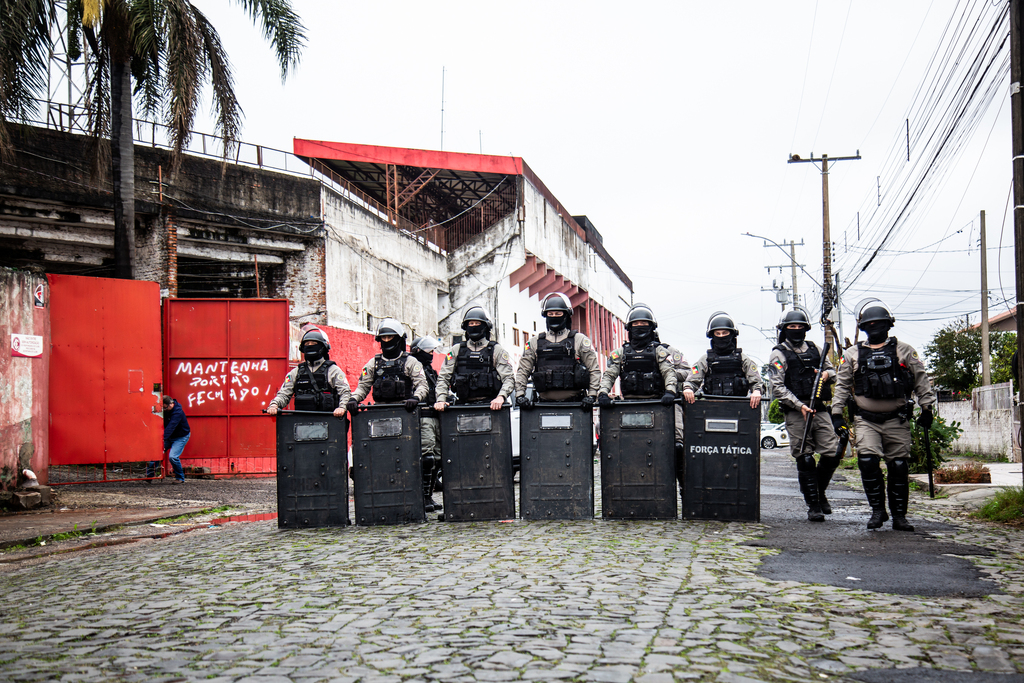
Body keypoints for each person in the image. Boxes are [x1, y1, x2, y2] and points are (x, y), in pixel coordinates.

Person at [831, 299, 936, 532]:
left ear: (889, 325)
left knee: (898, 466)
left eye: (880, 324)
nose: (875, 328)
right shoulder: (851, 354)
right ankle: (877, 511)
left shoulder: (905, 351)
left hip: (896, 418)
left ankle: (899, 516)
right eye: (870, 324)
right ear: (863, 327)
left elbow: (921, 380)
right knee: (867, 462)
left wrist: (926, 408)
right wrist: (836, 413)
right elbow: (842, 385)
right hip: (866, 419)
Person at [768, 306, 839, 522]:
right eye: (792, 327)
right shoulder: (778, 353)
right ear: (784, 329)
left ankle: (819, 491)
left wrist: (826, 374)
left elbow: (833, 371)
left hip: (819, 407)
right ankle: (813, 505)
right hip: (797, 411)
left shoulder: (817, 348)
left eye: (800, 326)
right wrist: (799, 405)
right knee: (805, 458)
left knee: (831, 452)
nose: (796, 330)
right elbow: (777, 386)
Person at [515, 293, 601, 409]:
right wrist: (520, 395)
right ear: (545, 316)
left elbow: (594, 370)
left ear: (566, 315)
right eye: (550, 314)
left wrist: (591, 395)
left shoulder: (579, 340)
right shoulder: (535, 342)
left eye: (558, 313)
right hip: (543, 406)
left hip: (575, 405)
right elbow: (523, 371)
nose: (554, 316)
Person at [433, 306, 515, 411]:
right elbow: (443, 377)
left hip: (491, 406)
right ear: (466, 327)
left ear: (485, 326)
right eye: (471, 324)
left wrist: (501, 397)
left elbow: (508, 378)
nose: (474, 326)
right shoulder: (456, 350)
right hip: (463, 407)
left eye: (477, 323)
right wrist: (441, 399)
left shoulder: (496, 350)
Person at [682, 311, 763, 409]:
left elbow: (757, 382)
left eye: (725, 333)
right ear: (712, 335)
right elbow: (691, 381)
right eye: (718, 333)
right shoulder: (705, 359)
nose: (721, 336)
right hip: (712, 408)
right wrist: (688, 389)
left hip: (739, 409)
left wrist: (757, 391)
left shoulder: (742, 358)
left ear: (732, 334)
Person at [267, 328, 351, 417]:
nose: (310, 346)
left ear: (322, 347)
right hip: (302, 423)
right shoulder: (296, 372)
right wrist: (275, 405)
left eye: (314, 344)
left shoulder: (333, 371)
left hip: (328, 422)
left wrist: (342, 407)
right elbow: (284, 393)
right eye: (307, 344)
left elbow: (345, 392)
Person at [411, 336, 444, 512]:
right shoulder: (412, 368)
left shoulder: (430, 370)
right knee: (427, 456)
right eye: (428, 351)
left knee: (438, 457)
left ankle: (429, 494)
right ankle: (422, 497)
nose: (431, 354)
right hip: (422, 416)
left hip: (435, 415)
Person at [149, 395, 190, 483]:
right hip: (169, 436)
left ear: (171, 404)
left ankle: (180, 478)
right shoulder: (167, 409)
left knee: (173, 457)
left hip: (181, 436)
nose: (164, 410)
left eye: (165, 408)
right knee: (156, 454)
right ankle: (149, 476)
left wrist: (162, 439)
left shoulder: (178, 412)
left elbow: (171, 426)